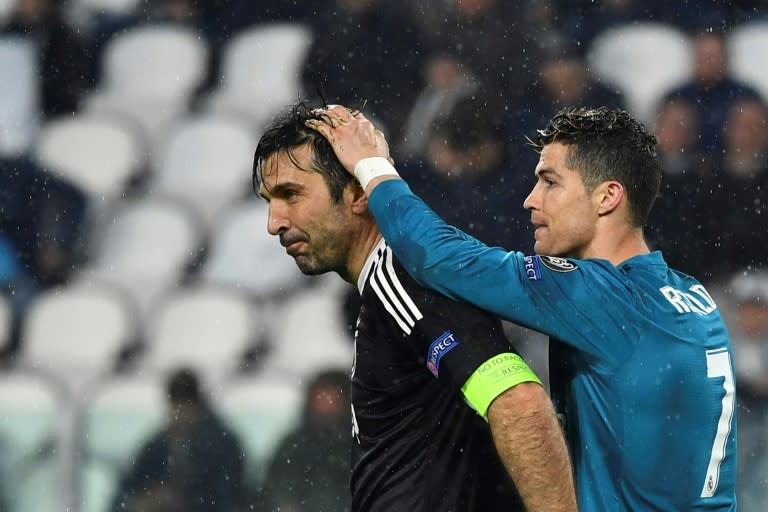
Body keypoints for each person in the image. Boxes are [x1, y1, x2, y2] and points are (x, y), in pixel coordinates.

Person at [309, 104, 739, 510]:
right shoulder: (694, 300)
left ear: (608, 197)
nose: (531, 200)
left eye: (550, 182)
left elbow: (439, 257)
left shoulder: (601, 298)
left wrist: (372, 166)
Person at [253, 102, 577, 511]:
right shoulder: (386, 287)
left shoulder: (404, 279)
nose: (274, 222)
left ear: (356, 192)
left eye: (290, 194)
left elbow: (520, 403)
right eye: (268, 200)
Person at [110, 368, 245, 512]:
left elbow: (227, 499)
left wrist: (184, 500)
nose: (181, 414)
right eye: (177, 406)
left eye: (186, 405)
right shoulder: (157, 447)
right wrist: (146, 502)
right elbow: (123, 498)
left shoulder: (221, 447)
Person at [260, 368, 351, 512]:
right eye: (319, 397)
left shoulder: (360, 445)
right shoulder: (294, 444)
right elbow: (277, 486)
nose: (324, 403)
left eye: (330, 397)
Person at [727, 269, 768, 510]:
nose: (753, 315)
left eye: (759, 308)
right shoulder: (724, 336)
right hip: (736, 421)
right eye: (748, 307)